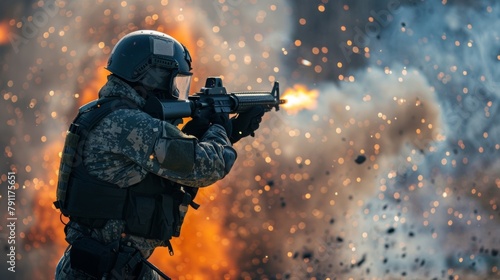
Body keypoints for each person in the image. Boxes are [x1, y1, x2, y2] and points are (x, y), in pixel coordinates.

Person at [54, 30, 264, 279]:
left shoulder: (108, 113)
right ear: (153, 77)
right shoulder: (130, 123)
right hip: (108, 270)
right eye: (174, 83)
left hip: (103, 265)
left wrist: (219, 133)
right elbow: (206, 168)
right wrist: (220, 129)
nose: (176, 93)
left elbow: (164, 167)